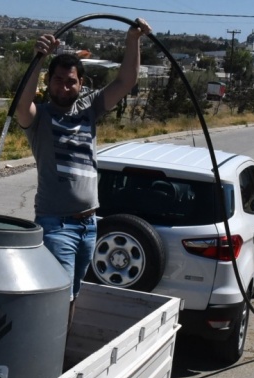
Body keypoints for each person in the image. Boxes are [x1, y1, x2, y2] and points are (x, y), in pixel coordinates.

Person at [15, 19, 152, 327]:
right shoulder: (40, 117)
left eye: (71, 81)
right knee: (57, 294)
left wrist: (133, 39)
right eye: (59, 80)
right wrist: (37, 58)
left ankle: (59, 352)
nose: (65, 87)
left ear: (81, 82)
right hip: (56, 225)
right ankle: (44, 359)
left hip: (89, 224)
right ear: (48, 83)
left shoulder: (90, 107)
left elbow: (126, 82)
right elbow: (22, 106)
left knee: (72, 293)